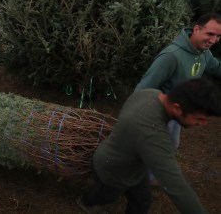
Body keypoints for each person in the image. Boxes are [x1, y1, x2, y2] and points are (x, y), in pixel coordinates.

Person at [76, 78, 221, 214]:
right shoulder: (152, 134)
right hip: (112, 172)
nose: (202, 125)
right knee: (106, 196)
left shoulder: (150, 93)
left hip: (133, 168)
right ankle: (86, 202)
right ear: (177, 108)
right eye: (199, 119)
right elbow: (176, 186)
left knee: (143, 201)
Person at [135, 13, 221, 184]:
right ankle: (136, 179)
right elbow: (142, 88)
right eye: (210, 34)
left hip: (178, 112)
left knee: (170, 144)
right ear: (196, 29)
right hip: (159, 112)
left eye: (218, 36)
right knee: (154, 147)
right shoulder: (171, 56)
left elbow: (217, 68)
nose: (213, 40)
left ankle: (149, 178)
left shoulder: (204, 53)